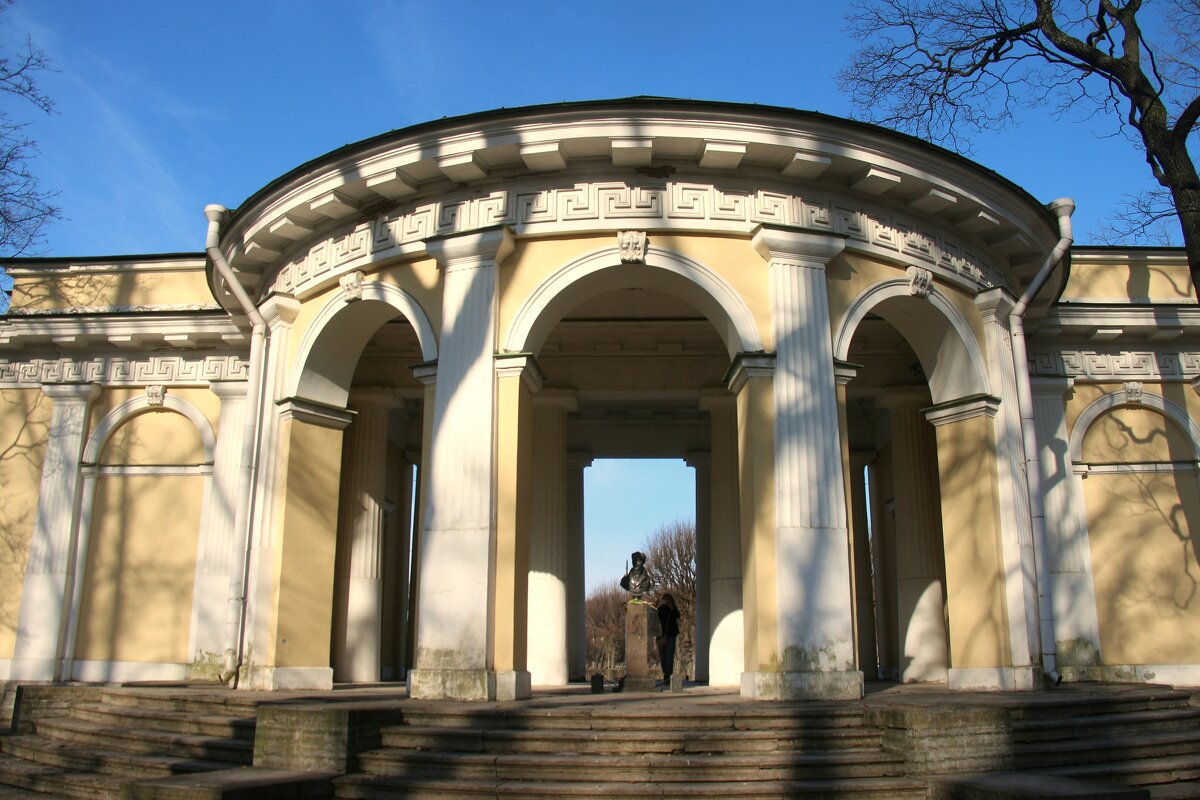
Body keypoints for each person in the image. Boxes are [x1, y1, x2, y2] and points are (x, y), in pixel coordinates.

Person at [656, 592, 681, 684]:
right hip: (661, 635)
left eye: (667, 600)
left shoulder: (672, 610)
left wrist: (671, 607)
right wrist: (656, 605)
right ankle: (666, 673)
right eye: (664, 599)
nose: (665, 601)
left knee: (669, 656)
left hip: (670, 635)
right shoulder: (660, 609)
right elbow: (655, 617)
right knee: (663, 656)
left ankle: (667, 675)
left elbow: (677, 615)